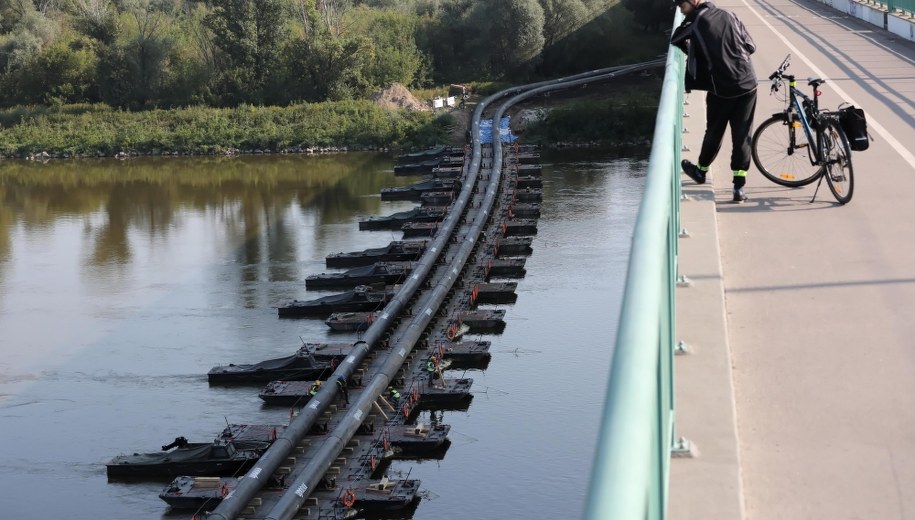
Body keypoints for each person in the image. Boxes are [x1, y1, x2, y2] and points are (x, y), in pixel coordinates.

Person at [670, 0, 757, 203]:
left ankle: (700, 171)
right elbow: (751, 46)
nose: (681, 12)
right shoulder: (730, 15)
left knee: (715, 130)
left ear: (693, 2)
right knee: (742, 134)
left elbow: (676, 39)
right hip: (748, 83)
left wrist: (695, 52)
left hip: (722, 88)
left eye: (682, 7)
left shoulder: (695, 20)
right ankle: (738, 188)